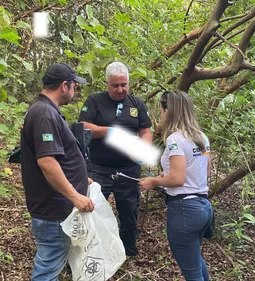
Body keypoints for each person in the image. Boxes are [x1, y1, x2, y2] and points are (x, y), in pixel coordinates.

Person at [20, 62, 95, 281]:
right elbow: (47, 162)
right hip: (53, 210)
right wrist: (75, 195)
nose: (74, 90)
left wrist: (80, 178)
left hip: (55, 207)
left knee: (51, 265)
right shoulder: (44, 114)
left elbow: (58, 159)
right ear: (64, 86)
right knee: (48, 269)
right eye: (74, 85)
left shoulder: (46, 111)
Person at [78, 62, 152, 257]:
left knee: (129, 212)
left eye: (124, 85)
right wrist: (111, 132)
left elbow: (146, 130)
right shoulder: (94, 101)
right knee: (92, 209)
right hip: (98, 167)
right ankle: (90, 252)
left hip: (128, 169)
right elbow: (83, 127)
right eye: (115, 85)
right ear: (107, 83)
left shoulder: (137, 104)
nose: (120, 89)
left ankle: (127, 252)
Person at [139, 90, 213, 281]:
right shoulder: (201, 137)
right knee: (195, 260)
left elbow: (178, 179)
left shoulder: (175, 140)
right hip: (203, 207)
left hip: (184, 210)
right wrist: (168, 176)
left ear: (168, 110)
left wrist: (154, 181)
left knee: (191, 272)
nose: (160, 114)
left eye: (161, 109)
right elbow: (204, 172)